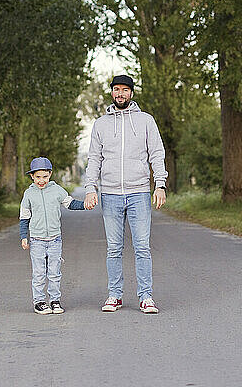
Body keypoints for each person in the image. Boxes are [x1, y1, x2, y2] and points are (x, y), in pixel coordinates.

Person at [84, 75, 168, 314]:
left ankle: (146, 296)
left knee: (142, 247)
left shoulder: (145, 121)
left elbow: (157, 153)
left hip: (139, 193)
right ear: (111, 93)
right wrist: (91, 187)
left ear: (131, 93)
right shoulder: (101, 124)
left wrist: (159, 184)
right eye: (116, 90)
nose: (120, 94)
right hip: (110, 194)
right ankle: (115, 295)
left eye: (125, 90)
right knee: (113, 248)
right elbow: (94, 159)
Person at [20, 156, 86, 315]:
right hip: (37, 240)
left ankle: (55, 301)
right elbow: (24, 217)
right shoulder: (29, 194)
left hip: (55, 239)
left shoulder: (57, 190)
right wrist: (24, 236)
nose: (41, 180)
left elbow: (70, 203)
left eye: (44, 176)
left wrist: (85, 204)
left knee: (55, 272)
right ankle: (39, 302)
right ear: (32, 176)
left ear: (50, 174)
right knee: (39, 273)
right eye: (38, 177)